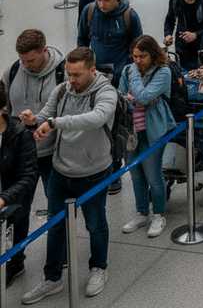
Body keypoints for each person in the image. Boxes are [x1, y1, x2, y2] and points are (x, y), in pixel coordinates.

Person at [21, 47, 118, 303]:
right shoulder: (62, 89)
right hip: (60, 170)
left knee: (95, 224)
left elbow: (96, 119)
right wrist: (34, 120)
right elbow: (46, 115)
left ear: (92, 70)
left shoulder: (106, 92)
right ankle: (52, 278)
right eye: (69, 74)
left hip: (94, 172)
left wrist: (55, 122)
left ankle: (99, 268)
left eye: (77, 74)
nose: (72, 80)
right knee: (55, 225)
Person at [118, 36, 175, 240]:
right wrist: (134, 97)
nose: (137, 61)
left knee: (153, 175)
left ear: (153, 55)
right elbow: (120, 97)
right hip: (131, 131)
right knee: (136, 174)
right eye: (134, 56)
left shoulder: (163, 72)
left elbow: (142, 97)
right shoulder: (127, 70)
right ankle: (142, 212)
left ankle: (158, 214)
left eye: (142, 56)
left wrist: (135, 89)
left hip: (153, 130)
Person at [3, 30, 65, 205]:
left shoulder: (62, 72)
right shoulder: (13, 70)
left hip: (51, 154)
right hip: (19, 151)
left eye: (31, 60)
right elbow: (4, 105)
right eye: (23, 60)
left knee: (56, 205)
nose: (26, 65)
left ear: (44, 50)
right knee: (17, 207)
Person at [0, 79, 39, 285]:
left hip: (11, 203)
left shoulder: (20, 135)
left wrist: (4, 199)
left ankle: (15, 263)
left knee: (13, 238)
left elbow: (28, 176)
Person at [77, 0, 143, 86]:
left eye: (107, 0)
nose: (102, 5)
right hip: (96, 76)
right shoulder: (89, 11)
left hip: (121, 77)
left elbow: (138, 48)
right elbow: (82, 40)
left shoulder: (130, 16)